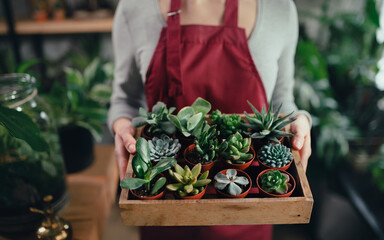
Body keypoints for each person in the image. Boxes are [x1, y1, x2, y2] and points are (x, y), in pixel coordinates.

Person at [108, 0, 311, 239]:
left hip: (249, 205)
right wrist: (122, 124)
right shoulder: (135, 7)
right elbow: (126, 99)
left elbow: (281, 99)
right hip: (166, 201)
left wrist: (300, 120)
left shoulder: (279, 8)